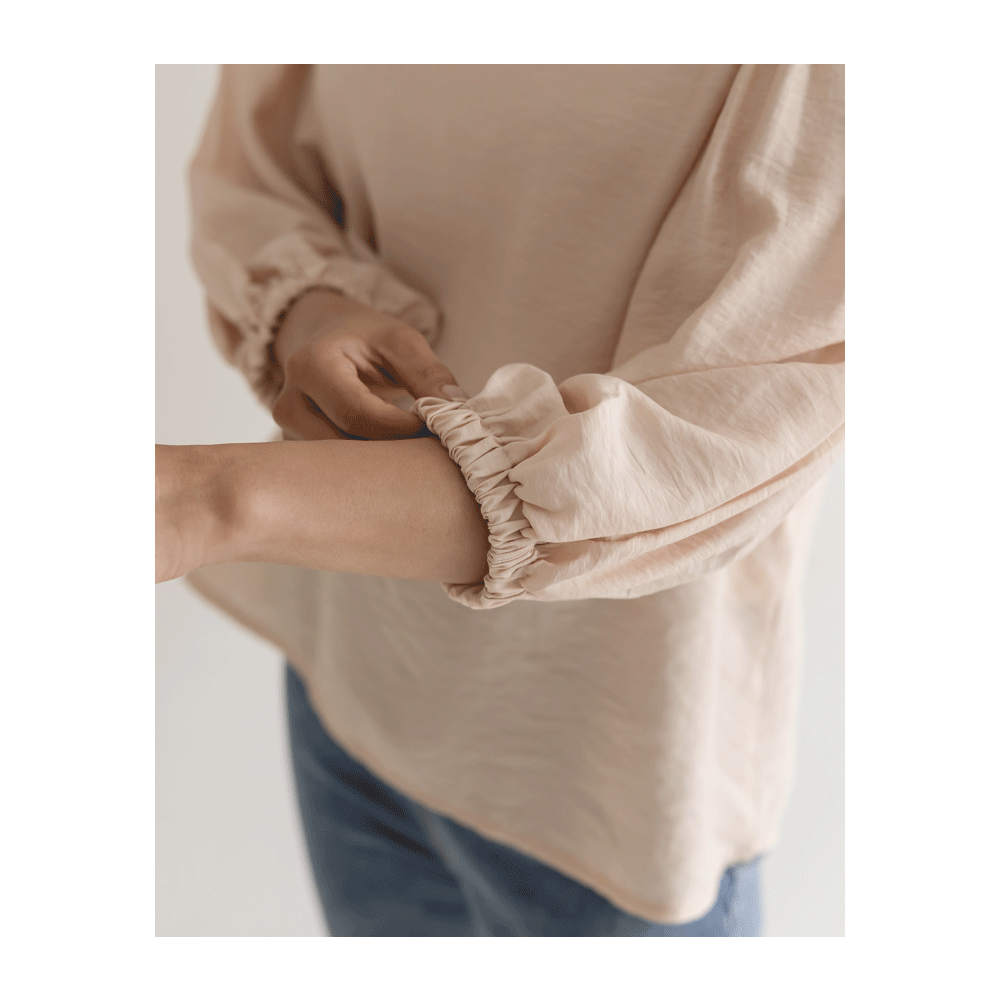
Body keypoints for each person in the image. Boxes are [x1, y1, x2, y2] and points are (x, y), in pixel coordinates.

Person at [157, 63, 844, 935]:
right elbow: (252, 162)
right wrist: (316, 310)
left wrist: (210, 502)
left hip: (603, 780)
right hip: (354, 672)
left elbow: (730, 424)